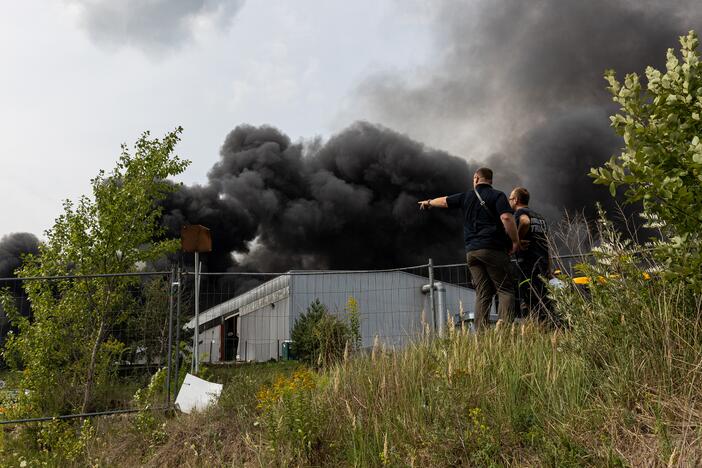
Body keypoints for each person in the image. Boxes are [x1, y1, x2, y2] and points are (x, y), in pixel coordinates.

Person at [418, 167, 519, 329]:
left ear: (476, 179)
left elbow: (444, 201)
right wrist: (515, 241)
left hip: (472, 252)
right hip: (493, 249)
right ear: (491, 181)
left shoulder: (466, 196)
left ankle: (481, 335)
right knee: (505, 289)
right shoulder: (498, 195)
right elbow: (507, 217)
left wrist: (428, 202)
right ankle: (505, 333)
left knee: (483, 293)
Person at [508, 187, 552, 322]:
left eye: (510, 198)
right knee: (543, 300)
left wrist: (517, 241)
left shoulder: (520, 213)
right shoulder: (540, 217)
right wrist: (549, 266)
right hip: (543, 265)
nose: (509, 201)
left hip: (528, 265)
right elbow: (547, 244)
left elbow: (525, 222)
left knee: (527, 301)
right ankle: (546, 328)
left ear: (515, 200)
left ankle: (531, 330)